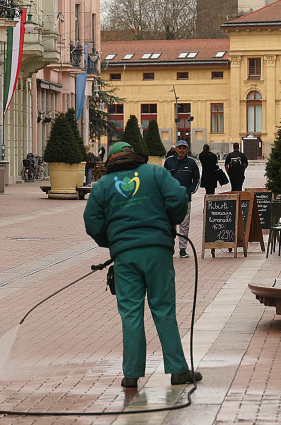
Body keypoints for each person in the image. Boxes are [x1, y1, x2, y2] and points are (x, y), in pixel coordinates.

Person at [84, 141, 202, 387]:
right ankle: (178, 369)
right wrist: (170, 221)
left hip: (125, 257)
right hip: (157, 252)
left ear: (112, 159)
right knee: (163, 309)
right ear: (133, 155)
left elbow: (92, 223)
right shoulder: (155, 172)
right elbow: (179, 196)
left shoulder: (103, 185)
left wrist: (114, 241)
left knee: (130, 313)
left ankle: (131, 374)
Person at [163, 140, 200, 258]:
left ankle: (183, 249)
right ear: (176, 149)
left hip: (185, 198)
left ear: (187, 150)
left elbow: (196, 178)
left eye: (184, 148)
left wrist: (190, 190)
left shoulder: (191, 163)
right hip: (170, 199)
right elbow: (163, 177)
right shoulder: (169, 162)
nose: (181, 150)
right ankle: (170, 246)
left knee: (184, 224)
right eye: (179, 148)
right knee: (169, 224)